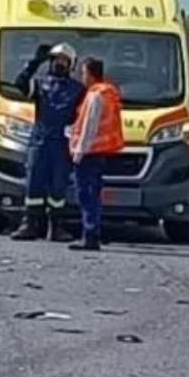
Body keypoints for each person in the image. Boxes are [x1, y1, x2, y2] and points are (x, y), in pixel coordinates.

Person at [10, 42, 85, 242]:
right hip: (39, 141)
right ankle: (29, 224)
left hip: (61, 144)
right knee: (33, 183)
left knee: (58, 187)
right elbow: (19, 83)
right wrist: (34, 63)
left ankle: (56, 227)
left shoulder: (78, 90)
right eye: (56, 59)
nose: (59, 63)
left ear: (71, 64)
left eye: (64, 60)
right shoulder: (40, 83)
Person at [68, 57, 125, 252]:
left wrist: (79, 151)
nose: (82, 77)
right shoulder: (107, 93)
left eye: (83, 73)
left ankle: (90, 235)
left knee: (87, 195)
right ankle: (92, 232)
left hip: (89, 153)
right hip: (99, 152)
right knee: (93, 194)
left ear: (91, 75)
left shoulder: (95, 96)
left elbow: (89, 127)